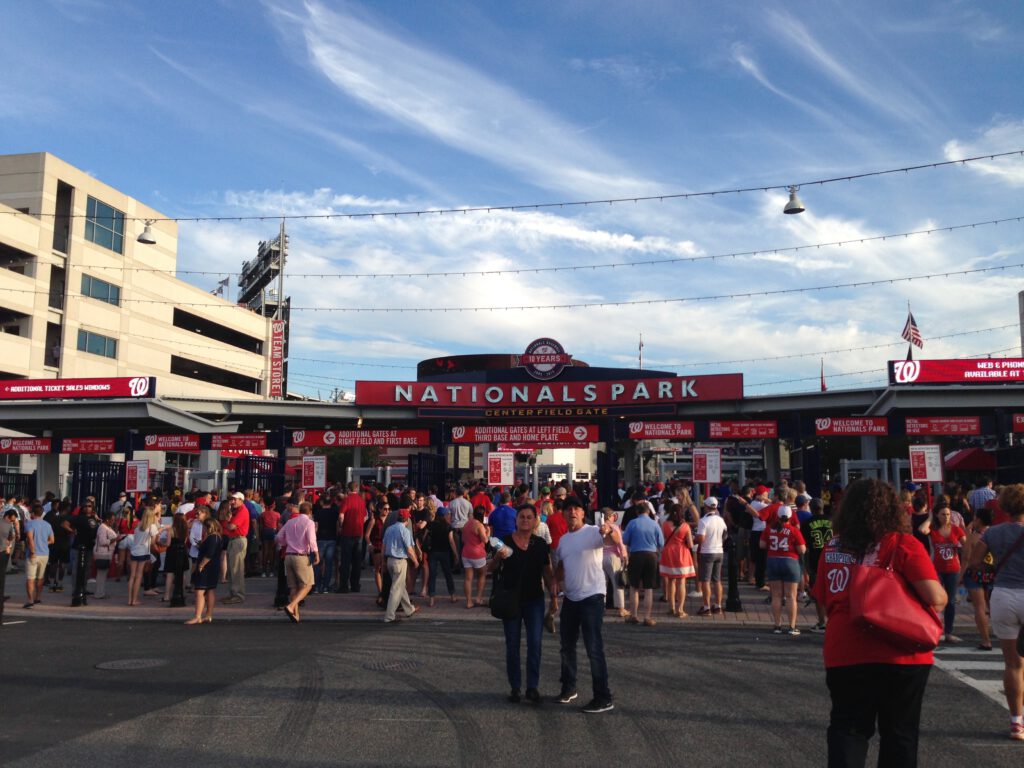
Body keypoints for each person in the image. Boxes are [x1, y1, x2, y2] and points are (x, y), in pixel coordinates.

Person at [812, 477, 946, 765]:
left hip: (846, 649)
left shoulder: (833, 548)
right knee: (899, 733)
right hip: (902, 652)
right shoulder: (903, 545)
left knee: (848, 729)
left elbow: (823, 599)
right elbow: (935, 596)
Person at [968, 483, 1024, 741]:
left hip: (1003, 595)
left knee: (1013, 663)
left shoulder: (993, 533)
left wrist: (994, 572)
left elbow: (975, 562)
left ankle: (1016, 722)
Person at [555, 497, 620, 713]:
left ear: (583, 513)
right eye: (568, 509)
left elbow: (615, 540)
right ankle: (569, 687)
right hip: (570, 598)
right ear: (563, 514)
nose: (572, 512)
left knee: (593, 647)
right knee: (566, 645)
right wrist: (554, 589)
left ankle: (603, 696)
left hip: (592, 596)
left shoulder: (594, 531)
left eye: (576, 509)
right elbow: (561, 567)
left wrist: (609, 530)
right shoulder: (563, 541)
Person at [491, 504, 557, 704]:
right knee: (512, 645)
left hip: (534, 600)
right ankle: (515, 687)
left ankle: (532, 687)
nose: (525, 520)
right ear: (516, 520)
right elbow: (491, 568)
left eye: (529, 517)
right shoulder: (506, 542)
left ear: (536, 520)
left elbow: (547, 571)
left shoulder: (539, 544)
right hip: (511, 599)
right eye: (522, 517)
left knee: (535, 644)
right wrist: (497, 557)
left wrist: (553, 596)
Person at [918, 503, 966, 643]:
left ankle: (948, 632)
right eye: (943, 514)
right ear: (937, 516)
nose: (946, 517)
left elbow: (966, 545)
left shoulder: (956, 530)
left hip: (953, 569)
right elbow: (922, 530)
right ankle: (934, 629)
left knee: (950, 602)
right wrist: (930, 517)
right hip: (936, 569)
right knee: (935, 600)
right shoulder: (933, 529)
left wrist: (962, 549)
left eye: (948, 514)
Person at [762, 504, 807, 635]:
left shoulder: (769, 529)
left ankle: (777, 625)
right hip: (790, 561)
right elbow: (802, 549)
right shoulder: (793, 530)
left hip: (773, 560)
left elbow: (762, 544)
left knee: (776, 595)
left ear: (777, 516)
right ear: (790, 516)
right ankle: (792, 626)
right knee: (791, 596)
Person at [621, 496, 664, 626]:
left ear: (637, 512)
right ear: (648, 511)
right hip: (651, 556)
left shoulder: (632, 523)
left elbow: (624, 540)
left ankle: (634, 615)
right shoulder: (654, 524)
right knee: (648, 588)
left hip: (636, 555)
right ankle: (647, 617)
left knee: (634, 587)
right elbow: (661, 542)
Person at [276, 501, 319, 623]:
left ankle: (296, 614)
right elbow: (311, 539)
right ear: (310, 512)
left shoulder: (290, 522)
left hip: (288, 556)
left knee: (293, 586)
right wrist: (316, 553)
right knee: (308, 585)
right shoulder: (309, 522)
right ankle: (291, 606)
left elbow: (278, 537)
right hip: (301, 556)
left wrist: (285, 544)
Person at [963, 507, 995, 650]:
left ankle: (986, 640)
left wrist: (960, 576)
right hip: (991, 572)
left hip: (974, 574)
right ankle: (1000, 633)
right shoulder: (995, 533)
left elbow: (966, 558)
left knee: (980, 608)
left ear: (979, 520)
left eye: (975, 518)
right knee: (992, 606)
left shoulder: (974, 536)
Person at [801, 498, 833, 632]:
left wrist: (805, 567)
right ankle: (832, 621)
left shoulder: (807, 523)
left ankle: (821, 622)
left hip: (815, 560)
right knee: (832, 591)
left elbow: (804, 546)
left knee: (818, 593)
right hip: (832, 559)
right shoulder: (833, 522)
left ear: (811, 509)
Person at [382, 507, 419, 623]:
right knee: (396, 588)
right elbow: (409, 549)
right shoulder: (405, 531)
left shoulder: (389, 529)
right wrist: (415, 561)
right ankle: (389, 616)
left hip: (389, 560)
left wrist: (383, 561)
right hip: (400, 561)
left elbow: (383, 547)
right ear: (406, 519)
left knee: (400, 586)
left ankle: (409, 609)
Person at [659, 502, 696, 618]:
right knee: (681, 582)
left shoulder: (665, 524)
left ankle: (671, 608)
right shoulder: (685, 526)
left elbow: (662, 539)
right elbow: (690, 544)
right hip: (681, 553)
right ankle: (680, 609)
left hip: (668, 552)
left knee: (671, 581)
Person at [185, 518, 223, 625]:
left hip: (207, 567)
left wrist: (201, 565)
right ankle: (208, 615)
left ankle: (198, 616)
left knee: (200, 591)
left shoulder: (212, 538)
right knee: (210, 590)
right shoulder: (217, 537)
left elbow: (209, 554)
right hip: (213, 567)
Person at [694, 497, 728, 616]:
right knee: (717, 580)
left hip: (707, 552)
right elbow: (725, 534)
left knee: (705, 580)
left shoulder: (703, 521)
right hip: (719, 551)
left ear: (706, 507)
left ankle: (706, 607)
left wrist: (694, 539)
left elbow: (701, 538)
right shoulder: (720, 520)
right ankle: (718, 606)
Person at [337, 481, 369, 593]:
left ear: (348, 489)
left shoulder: (346, 500)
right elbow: (366, 516)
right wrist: (360, 523)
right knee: (357, 561)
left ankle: (344, 586)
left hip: (347, 533)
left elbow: (341, 516)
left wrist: (341, 526)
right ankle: (355, 585)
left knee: (346, 561)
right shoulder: (361, 500)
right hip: (359, 532)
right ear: (357, 489)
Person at [127, 505, 160, 606]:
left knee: (132, 576)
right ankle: (135, 599)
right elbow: (154, 542)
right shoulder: (152, 526)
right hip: (143, 551)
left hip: (134, 551)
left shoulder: (138, 525)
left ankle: (129, 599)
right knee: (139, 576)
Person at [426, 507, 459, 606]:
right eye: (447, 514)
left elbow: (425, 537)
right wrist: (456, 554)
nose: (449, 516)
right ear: (444, 516)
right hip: (444, 552)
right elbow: (451, 541)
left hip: (432, 552)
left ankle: (431, 599)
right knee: (448, 574)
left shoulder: (431, 524)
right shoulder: (448, 526)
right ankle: (452, 596)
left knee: (432, 575)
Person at [600, 508, 628, 618]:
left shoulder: (598, 528)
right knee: (617, 583)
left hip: (600, 557)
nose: (614, 518)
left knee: (602, 584)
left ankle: (601, 607)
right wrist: (624, 556)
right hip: (613, 557)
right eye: (612, 516)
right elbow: (620, 543)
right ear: (609, 516)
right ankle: (621, 608)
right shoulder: (614, 527)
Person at [461, 507, 489, 608]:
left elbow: (463, 539)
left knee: (468, 578)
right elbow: (485, 540)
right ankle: (478, 598)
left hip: (466, 552)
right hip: (477, 553)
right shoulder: (479, 525)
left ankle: (468, 602)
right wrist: (488, 532)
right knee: (482, 574)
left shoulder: (467, 524)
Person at [92, 510, 119, 599]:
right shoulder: (103, 528)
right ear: (107, 520)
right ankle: (99, 593)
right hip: (102, 553)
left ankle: (100, 592)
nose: (113, 521)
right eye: (112, 519)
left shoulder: (105, 527)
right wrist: (115, 539)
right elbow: (102, 541)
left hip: (105, 553)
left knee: (102, 574)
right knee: (101, 574)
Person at [0, 508, 19, 619]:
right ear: (8, 516)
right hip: (2, 553)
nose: (12, 522)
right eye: (12, 520)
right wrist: (8, 546)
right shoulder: (8, 526)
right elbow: (12, 537)